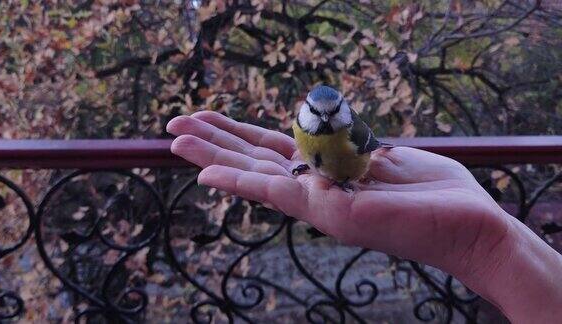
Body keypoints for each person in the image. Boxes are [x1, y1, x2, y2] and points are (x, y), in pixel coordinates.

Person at [166, 111, 562, 323]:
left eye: (333, 115)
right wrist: (495, 247)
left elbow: (368, 151)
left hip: (354, 170)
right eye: (315, 116)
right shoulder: (300, 133)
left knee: (343, 169)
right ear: (302, 117)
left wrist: (491, 244)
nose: (324, 123)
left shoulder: (349, 134)